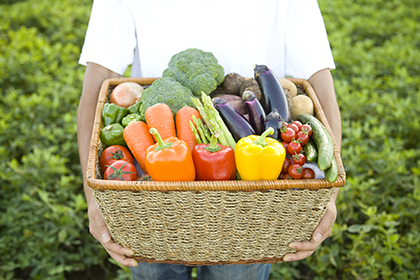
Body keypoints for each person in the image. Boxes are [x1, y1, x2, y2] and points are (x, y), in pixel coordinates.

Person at [77, 0, 342, 279]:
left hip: (252, 202)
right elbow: (99, 80)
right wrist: (92, 195)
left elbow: (320, 85)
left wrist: (328, 197)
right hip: (150, 198)